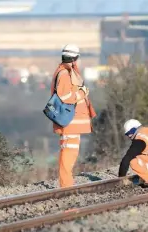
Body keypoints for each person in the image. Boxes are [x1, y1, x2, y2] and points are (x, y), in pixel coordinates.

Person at [50, 44, 97, 188]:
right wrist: (82, 93)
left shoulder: (67, 72)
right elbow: (65, 96)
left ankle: (67, 183)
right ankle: (66, 185)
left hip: (72, 122)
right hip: (69, 122)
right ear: (75, 59)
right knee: (68, 151)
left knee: (70, 151)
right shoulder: (65, 74)